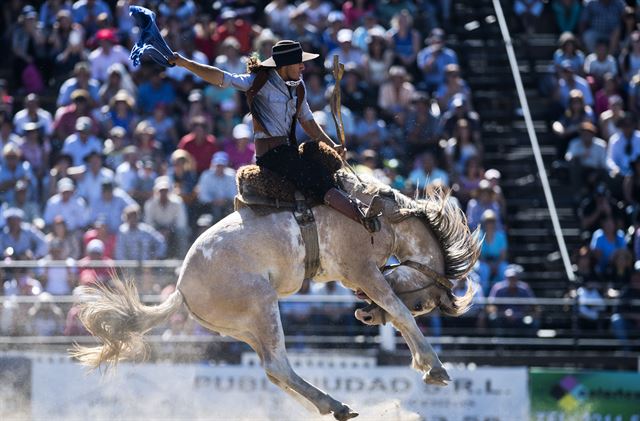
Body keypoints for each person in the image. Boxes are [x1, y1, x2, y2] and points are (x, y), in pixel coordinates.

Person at [169, 39, 380, 232]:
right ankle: (361, 215)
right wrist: (185, 63)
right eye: (299, 63)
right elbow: (221, 78)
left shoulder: (299, 87)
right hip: (270, 156)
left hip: (288, 151)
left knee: (324, 162)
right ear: (285, 65)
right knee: (316, 177)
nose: (303, 67)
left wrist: (332, 145)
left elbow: (308, 122)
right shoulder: (257, 81)